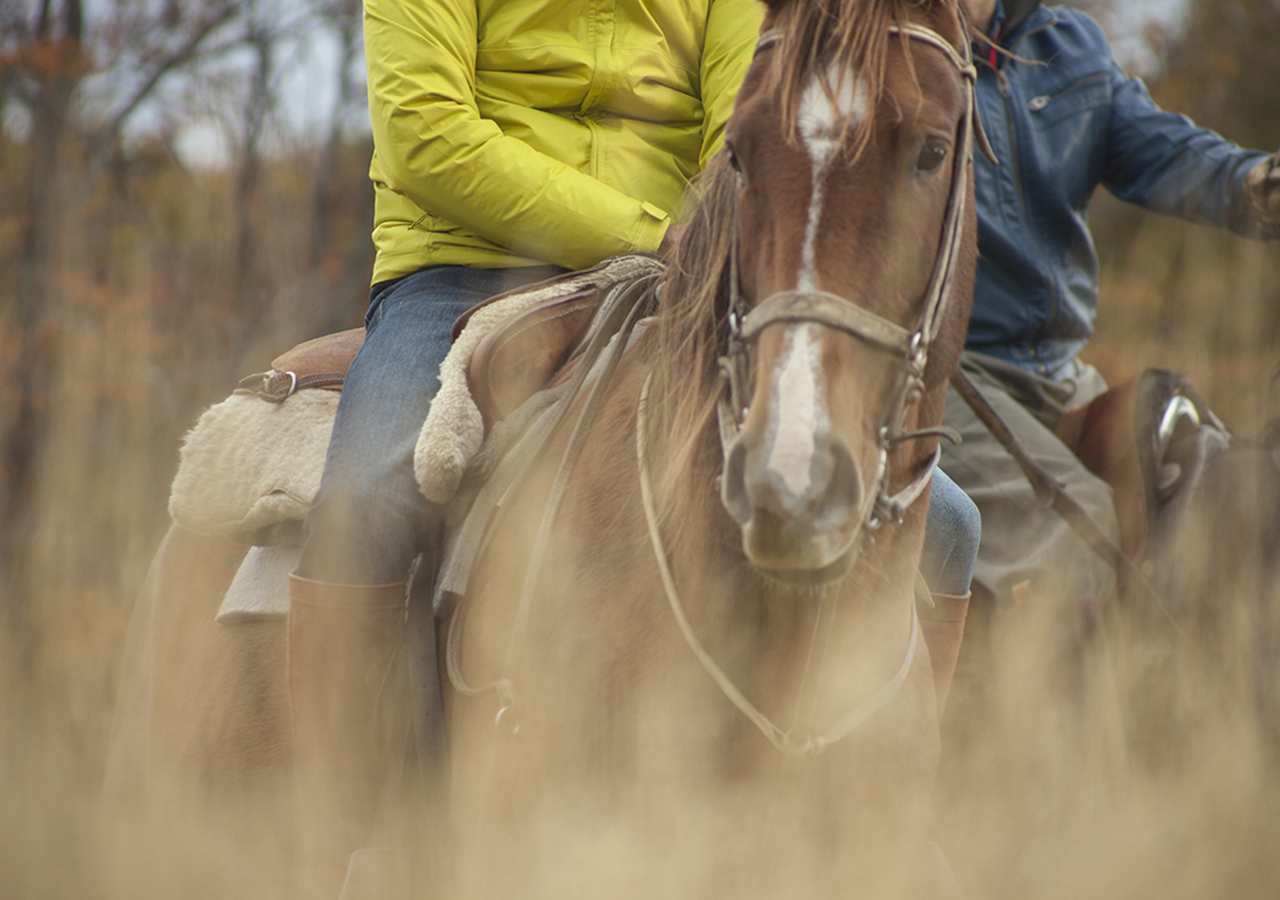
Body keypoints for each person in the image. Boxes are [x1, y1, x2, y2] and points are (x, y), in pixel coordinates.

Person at [289, 0, 983, 891]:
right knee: (361, 503)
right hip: (462, 273)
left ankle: (894, 820)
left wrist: (699, 242)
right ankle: (351, 844)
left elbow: (750, 117)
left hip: (677, 270)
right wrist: (655, 232)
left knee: (952, 522)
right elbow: (428, 138)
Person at [942, 0, 1280, 625]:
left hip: (1062, 375)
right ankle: (1037, 708)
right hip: (951, 377)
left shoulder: (1069, 45)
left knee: (1214, 487)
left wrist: (1257, 182)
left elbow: (1164, 149)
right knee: (1077, 531)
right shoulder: (899, 51)